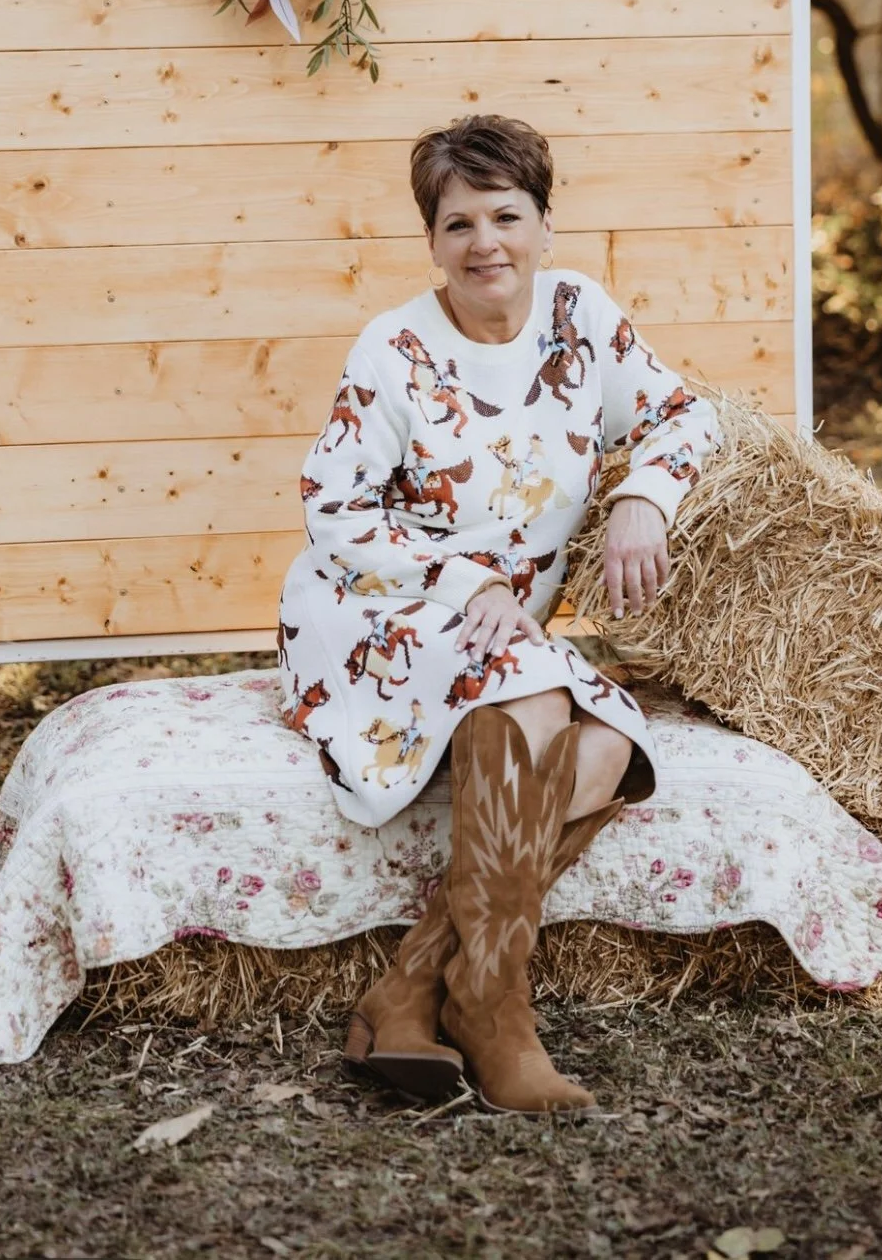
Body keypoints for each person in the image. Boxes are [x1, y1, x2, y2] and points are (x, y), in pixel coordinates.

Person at [276, 114, 720, 1114]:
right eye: (457, 222)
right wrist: (465, 581)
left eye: (505, 215)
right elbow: (333, 511)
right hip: (376, 609)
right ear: (431, 241)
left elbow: (682, 415)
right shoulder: (392, 350)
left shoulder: (582, 317)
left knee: (606, 745)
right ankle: (498, 1010)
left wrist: (646, 492)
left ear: (544, 226)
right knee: (533, 706)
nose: (485, 241)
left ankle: (417, 985)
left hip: (495, 631)